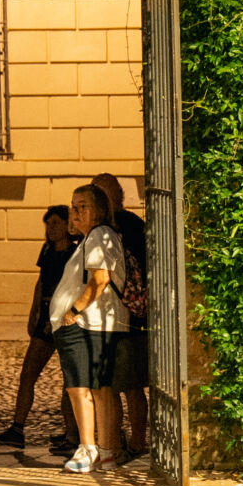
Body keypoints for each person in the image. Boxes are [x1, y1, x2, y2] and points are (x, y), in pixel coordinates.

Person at [48, 184, 131, 473]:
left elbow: (100, 279)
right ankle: (104, 452)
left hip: (86, 323)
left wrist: (73, 311)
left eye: (82, 206)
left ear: (98, 209)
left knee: (79, 387)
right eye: (73, 206)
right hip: (95, 322)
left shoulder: (99, 235)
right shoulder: (96, 237)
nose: (74, 212)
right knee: (98, 389)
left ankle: (88, 449)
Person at [0, 204, 79, 449]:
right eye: (48, 224)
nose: (51, 228)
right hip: (46, 313)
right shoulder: (47, 250)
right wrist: (34, 312)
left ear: (67, 225)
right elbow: (41, 282)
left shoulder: (74, 252)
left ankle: (73, 433)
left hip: (65, 317)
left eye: (55, 223)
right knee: (28, 372)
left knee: (70, 378)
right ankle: (17, 427)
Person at [94, 171, 150, 456]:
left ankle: (138, 441)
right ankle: (114, 441)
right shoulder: (95, 229)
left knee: (132, 385)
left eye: (104, 194)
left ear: (118, 196)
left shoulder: (131, 226)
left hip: (129, 316)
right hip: (102, 317)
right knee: (108, 385)